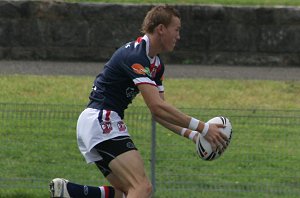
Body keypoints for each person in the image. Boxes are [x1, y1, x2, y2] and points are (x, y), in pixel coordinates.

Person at [49, 5, 228, 198]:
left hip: (96, 123)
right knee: (142, 188)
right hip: (102, 120)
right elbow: (157, 106)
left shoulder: (156, 65)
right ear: (161, 29)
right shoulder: (136, 55)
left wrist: (192, 134)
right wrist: (204, 128)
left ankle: (72, 192)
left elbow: (161, 114)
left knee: (126, 192)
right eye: (176, 29)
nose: (179, 36)